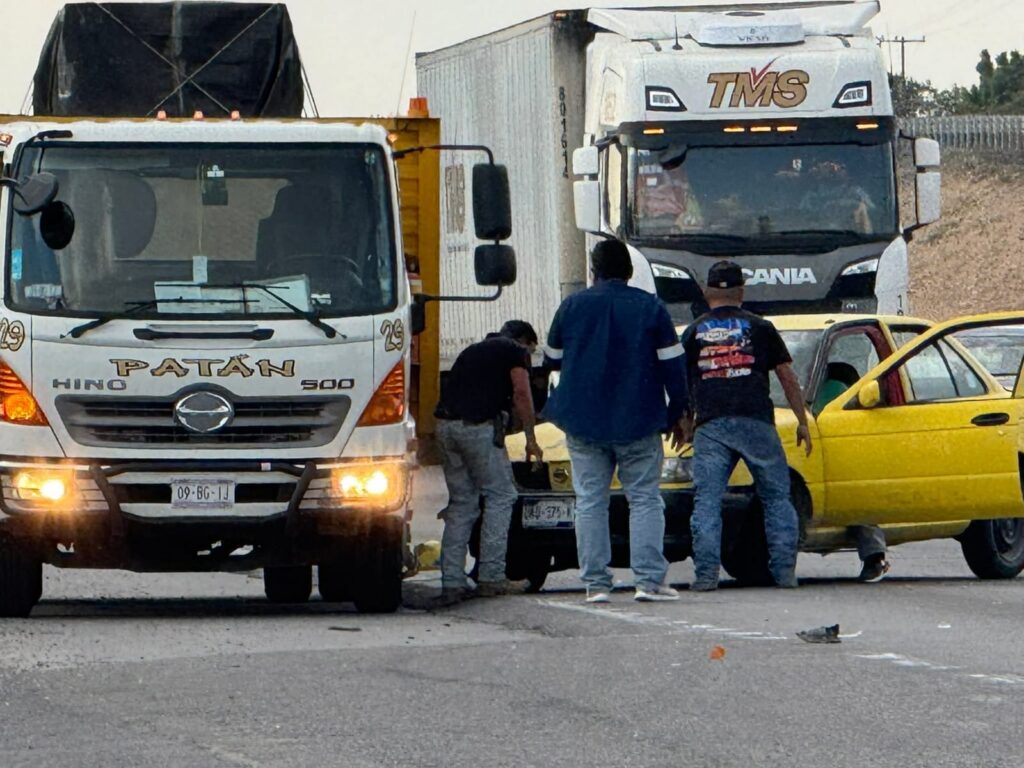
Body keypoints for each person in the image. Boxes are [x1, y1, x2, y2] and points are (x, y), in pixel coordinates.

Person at [544, 239, 689, 604]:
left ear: (593, 271)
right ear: (629, 272)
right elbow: (674, 367)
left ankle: (595, 584)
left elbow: (552, 359)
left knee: (590, 500)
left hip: (583, 419)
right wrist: (678, 413)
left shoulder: (572, 306)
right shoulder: (650, 308)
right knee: (644, 499)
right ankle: (648, 582)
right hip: (638, 418)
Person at [680, 261, 810, 591]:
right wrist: (801, 420)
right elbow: (787, 377)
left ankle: (706, 576)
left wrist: (683, 422)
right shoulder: (761, 327)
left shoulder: (694, 331)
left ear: (708, 292)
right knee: (777, 498)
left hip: (711, 424)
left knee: (707, 501)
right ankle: (784, 573)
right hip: (756, 421)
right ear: (742, 291)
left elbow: (683, 383)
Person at [435, 320, 544, 603]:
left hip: (446, 428)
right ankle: (492, 577)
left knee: (462, 503)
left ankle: (452, 582)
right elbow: (521, 392)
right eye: (531, 351)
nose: (529, 358)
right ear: (525, 341)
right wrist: (531, 437)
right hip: (477, 428)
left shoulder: (473, 349)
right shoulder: (513, 350)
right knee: (501, 495)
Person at [812, 361, 891, 582]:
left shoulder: (829, 391)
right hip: (838, 462)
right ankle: (874, 558)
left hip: (828, 459)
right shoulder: (843, 395)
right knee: (859, 508)